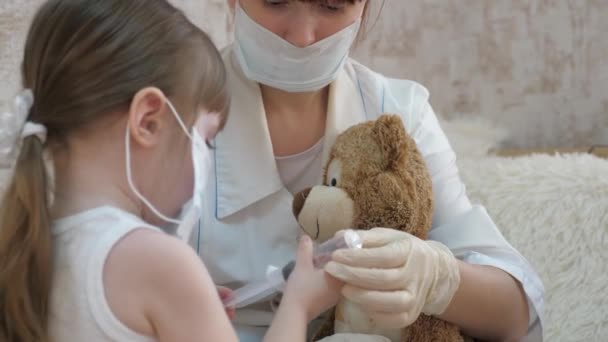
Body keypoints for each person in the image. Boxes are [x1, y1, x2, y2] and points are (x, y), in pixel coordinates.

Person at [194, 0, 545, 341]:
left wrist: (436, 279)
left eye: (331, 6)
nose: (302, 36)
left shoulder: (399, 114)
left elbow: (514, 316)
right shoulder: (173, 116)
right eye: (276, 1)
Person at [0, 1, 342, 341]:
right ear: (148, 120)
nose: (206, 161)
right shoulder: (160, 263)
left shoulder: (25, 246)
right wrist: (298, 305)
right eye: (206, 141)